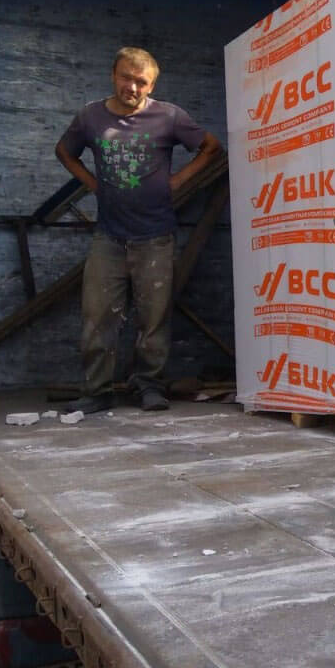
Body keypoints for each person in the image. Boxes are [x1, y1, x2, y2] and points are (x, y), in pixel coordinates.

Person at [56, 47, 222, 413]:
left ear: (152, 86)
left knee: (154, 318)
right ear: (113, 75)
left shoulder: (169, 116)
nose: (132, 87)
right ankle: (97, 391)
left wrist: (177, 181)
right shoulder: (90, 116)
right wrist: (93, 184)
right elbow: (64, 151)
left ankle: (148, 385)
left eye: (141, 82)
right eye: (126, 77)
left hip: (156, 237)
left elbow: (211, 147)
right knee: (97, 317)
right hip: (109, 237)